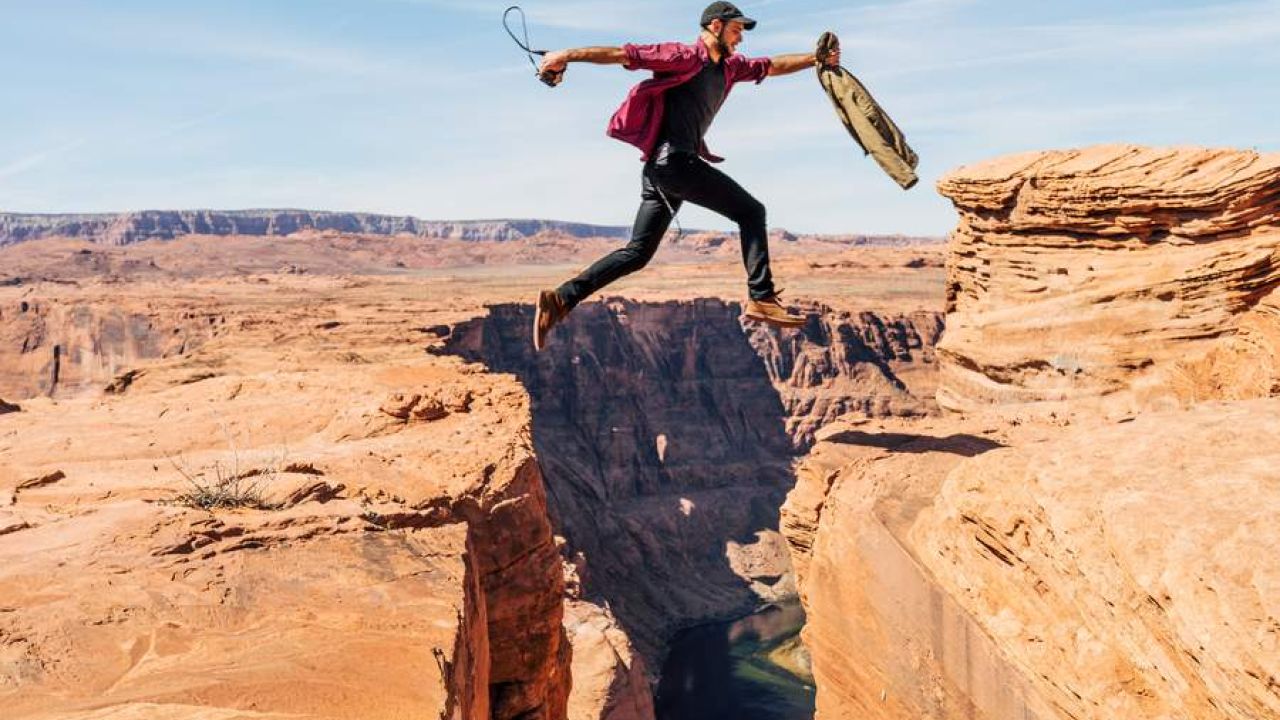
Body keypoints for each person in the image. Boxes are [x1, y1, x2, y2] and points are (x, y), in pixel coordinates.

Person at [532, 1, 839, 351]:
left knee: (637, 253)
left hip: (660, 172)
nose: (740, 39)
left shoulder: (730, 68)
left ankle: (559, 300)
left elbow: (771, 65)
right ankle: (762, 296)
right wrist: (565, 55)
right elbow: (621, 54)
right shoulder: (682, 57)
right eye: (737, 30)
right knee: (751, 212)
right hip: (674, 164)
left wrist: (815, 59)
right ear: (716, 26)